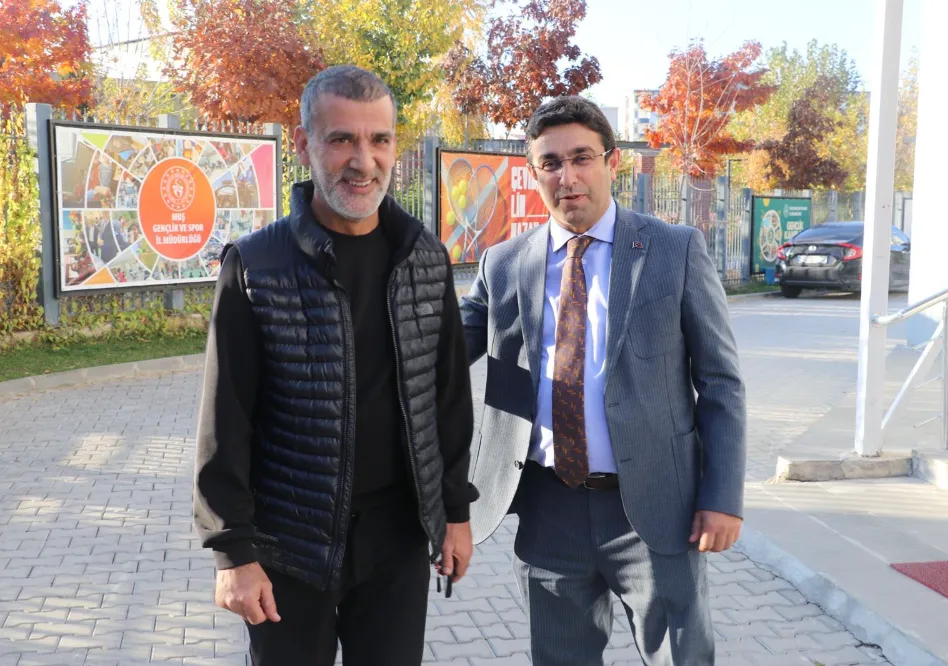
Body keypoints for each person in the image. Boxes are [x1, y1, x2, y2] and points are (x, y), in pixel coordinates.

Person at [193, 65, 478, 666]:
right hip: (288, 544)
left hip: (398, 539)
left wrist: (455, 512)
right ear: (304, 144)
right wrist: (233, 553)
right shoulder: (256, 264)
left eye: (379, 139)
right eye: (341, 139)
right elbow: (225, 419)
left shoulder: (425, 257)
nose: (363, 161)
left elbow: (448, 398)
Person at [460, 96, 747, 665]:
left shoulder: (674, 250)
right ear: (534, 172)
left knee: (682, 657)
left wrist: (722, 498)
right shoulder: (504, 263)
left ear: (612, 162)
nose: (567, 177)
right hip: (548, 509)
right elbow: (438, 353)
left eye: (581, 157)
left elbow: (721, 383)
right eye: (550, 163)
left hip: (657, 509)